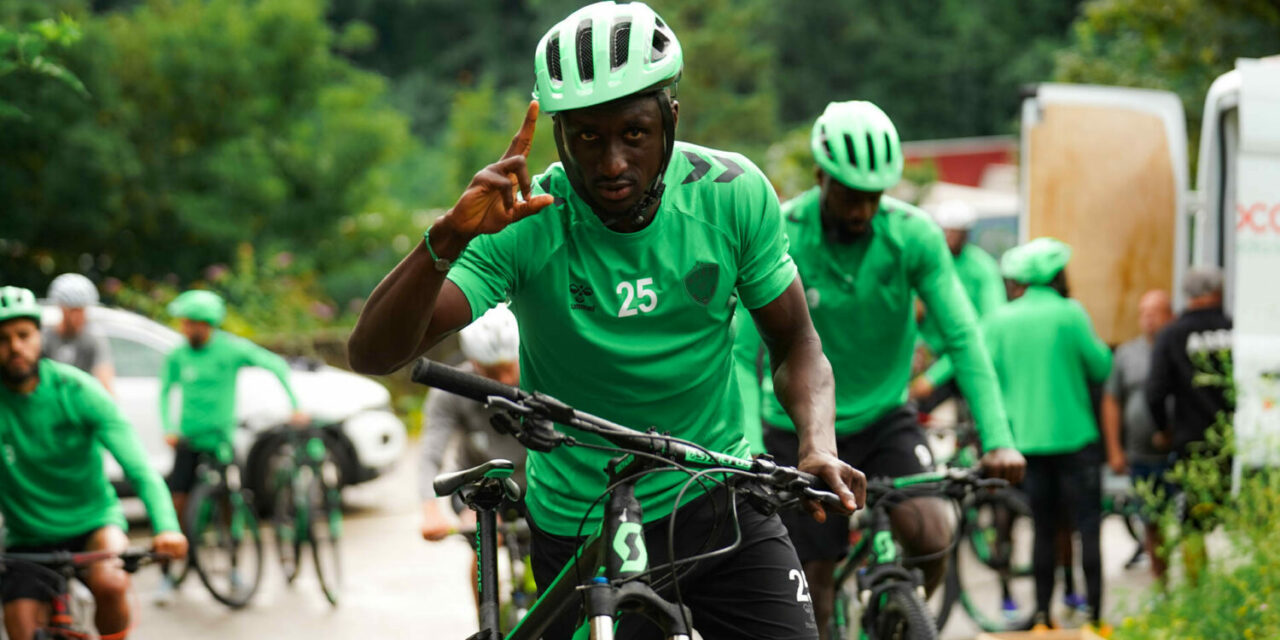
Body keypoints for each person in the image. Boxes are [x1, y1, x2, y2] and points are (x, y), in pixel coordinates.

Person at [347, 3, 863, 638]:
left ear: (671, 118)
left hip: (718, 496)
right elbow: (373, 354)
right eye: (587, 137)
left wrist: (816, 445)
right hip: (583, 527)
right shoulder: (526, 217)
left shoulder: (732, 193)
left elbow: (795, 343)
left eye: (635, 133)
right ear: (559, 134)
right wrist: (448, 237)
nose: (612, 163)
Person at [736, 101, 1025, 638]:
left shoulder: (912, 235)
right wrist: (750, 447)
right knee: (812, 585)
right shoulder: (785, 232)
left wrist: (998, 439)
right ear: (821, 175)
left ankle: (898, 618)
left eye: (875, 196)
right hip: (797, 427)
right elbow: (740, 352)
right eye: (850, 194)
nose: (863, 210)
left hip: (885, 416)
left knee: (934, 531)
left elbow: (963, 337)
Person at [0, 286, 188, 640]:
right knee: (20, 628)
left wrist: (167, 527)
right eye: (3, 339)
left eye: (23, 335)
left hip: (93, 523)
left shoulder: (78, 390)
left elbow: (140, 470)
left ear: (39, 336)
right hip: (27, 535)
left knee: (113, 581)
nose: (15, 348)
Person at [978, 238, 1113, 633]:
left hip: (1028, 445)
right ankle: (1096, 619)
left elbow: (987, 380)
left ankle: (1042, 618)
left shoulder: (1001, 320)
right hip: (1076, 441)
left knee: (1041, 530)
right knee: (1087, 528)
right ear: (1056, 275)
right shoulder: (1070, 314)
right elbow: (1101, 367)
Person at [157, 289, 306, 599]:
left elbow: (275, 365)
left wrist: (294, 404)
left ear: (206, 323)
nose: (185, 329)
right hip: (188, 440)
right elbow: (164, 391)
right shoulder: (178, 355)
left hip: (221, 440)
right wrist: (169, 427)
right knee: (176, 501)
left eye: (191, 323)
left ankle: (234, 563)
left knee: (232, 500)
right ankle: (172, 570)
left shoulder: (230, 349)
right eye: (183, 323)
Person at [418, 304, 528, 605]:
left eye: (510, 367)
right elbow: (430, 452)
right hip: (480, 488)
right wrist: (430, 510)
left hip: (537, 483)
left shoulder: (544, 378)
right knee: (484, 546)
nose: (504, 379)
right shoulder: (450, 391)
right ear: (473, 362)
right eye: (492, 371)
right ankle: (486, 621)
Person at [1145, 266, 1233, 584]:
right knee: (1250, 519)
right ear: (1219, 291)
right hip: (1240, 446)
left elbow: (1154, 392)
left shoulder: (1173, 334)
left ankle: (1199, 593)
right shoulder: (1236, 326)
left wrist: (1164, 429)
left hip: (1193, 445)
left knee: (1192, 526)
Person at [1100, 289, 1174, 578]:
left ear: (1170, 315)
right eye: (1143, 314)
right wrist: (1115, 449)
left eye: (1154, 313)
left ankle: (1196, 591)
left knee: (1185, 523)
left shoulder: (1176, 349)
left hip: (1174, 453)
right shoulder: (1128, 353)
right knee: (1151, 521)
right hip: (1140, 454)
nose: (1148, 320)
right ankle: (1162, 585)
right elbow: (1111, 401)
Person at [909, 201, 1006, 406]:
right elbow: (911, 314)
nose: (949, 237)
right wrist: (917, 345)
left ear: (967, 234)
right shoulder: (929, 263)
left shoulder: (983, 268)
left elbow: (988, 327)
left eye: (956, 232)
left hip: (969, 356)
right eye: (945, 231)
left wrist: (934, 377)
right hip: (930, 356)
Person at [43, 273, 116, 395]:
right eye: (74, 311)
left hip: (82, 402)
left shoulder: (93, 338)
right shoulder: (45, 338)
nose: (80, 316)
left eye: (82, 310)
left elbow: (105, 377)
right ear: (61, 309)